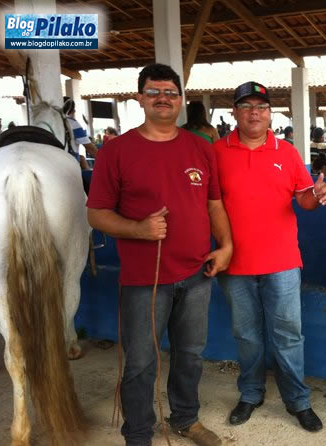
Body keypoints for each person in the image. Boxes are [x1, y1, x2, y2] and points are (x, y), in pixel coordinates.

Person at [87, 63, 231, 446]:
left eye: (170, 92)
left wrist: (226, 245)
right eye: (154, 92)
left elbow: (214, 204)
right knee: (140, 361)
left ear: (181, 100)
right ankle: (138, 434)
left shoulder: (201, 148)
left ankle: (185, 419)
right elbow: (96, 214)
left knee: (191, 354)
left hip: (197, 273)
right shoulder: (116, 151)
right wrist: (138, 229)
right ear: (140, 98)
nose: (163, 98)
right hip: (143, 280)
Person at [213, 81, 326, 433]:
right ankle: (251, 394)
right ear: (234, 112)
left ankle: (298, 401)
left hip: (281, 262)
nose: (255, 113)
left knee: (288, 335)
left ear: (270, 114)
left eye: (262, 107)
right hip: (234, 263)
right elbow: (208, 203)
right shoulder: (216, 152)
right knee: (246, 335)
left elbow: (305, 199)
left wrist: (318, 194)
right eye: (246, 106)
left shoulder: (288, 152)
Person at [63, 96, 98, 170]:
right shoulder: (72, 123)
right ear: (72, 110)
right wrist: (106, 160)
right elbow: (90, 148)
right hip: (69, 166)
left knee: (82, 158)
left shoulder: (50, 122)